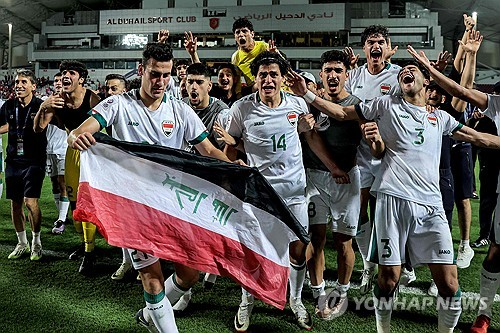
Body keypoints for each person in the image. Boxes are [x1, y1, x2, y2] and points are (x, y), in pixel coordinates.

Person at [288, 57, 500, 332]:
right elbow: (340, 113)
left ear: (426, 83)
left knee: (449, 283)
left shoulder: (440, 117)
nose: (407, 72)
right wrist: (305, 92)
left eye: (413, 70)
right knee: (388, 280)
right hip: (392, 201)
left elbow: (479, 138)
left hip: (431, 207)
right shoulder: (384, 105)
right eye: (403, 72)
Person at [67, 41, 240, 333]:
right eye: (154, 74)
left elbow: (208, 150)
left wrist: (235, 171)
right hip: (134, 207)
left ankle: (150, 315)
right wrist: (76, 137)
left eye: (166, 75)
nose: (160, 82)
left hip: (172, 204)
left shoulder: (181, 111)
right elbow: (80, 131)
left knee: (190, 275)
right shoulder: (119, 104)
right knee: (152, 277)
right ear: (141, 70)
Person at [215, 51, 313, 331]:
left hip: (294, 192)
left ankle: (295, 299)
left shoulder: (297, 104)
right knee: (254, 250)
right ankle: (247, 301)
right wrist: (231, 173)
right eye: (262, 75)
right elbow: (231, 145)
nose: (268, 79)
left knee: (298, 248)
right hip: (259, 193)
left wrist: (308, 127)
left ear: (283, 79)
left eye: (273, 75)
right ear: (255, 79)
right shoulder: (242, 108)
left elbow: (313, 130)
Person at [408, 44, 500, 333]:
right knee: (497, 254)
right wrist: (431, 69)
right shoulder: (498, 103)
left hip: (444, 173)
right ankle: (483, 315)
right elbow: (463, 91)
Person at [343, 25, 406, 293]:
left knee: (385, 219)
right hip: (360, 156)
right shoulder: (353, 76)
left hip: (389, 157)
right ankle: (368, 267)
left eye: (381, 41)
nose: (376, 46)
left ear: (388, 47)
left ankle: (388, 267)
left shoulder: (398, 76)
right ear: (364, 48)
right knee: (358, 217)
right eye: (371, 42)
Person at [301, 51, 361, 320]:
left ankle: (343, 290)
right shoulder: (310, 105)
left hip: (347, 179)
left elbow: (373, 144)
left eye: (338, 70)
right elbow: (310, 136)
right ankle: (319, 291)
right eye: (327, 70)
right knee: (316, 238)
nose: (333, 75)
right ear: (321, 75)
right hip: (314, 177)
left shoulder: (356, 104)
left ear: (347, 74)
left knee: (343, 240)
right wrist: (301, 128)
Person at [33, 60, 101, 275]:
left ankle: (90, 253)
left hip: (93, 153)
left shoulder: (92, 98)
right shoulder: (57, 101)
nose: (65, 75)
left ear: (81, 78)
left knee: (88, 202)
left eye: (71, 72)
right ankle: (84, 244)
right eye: (63, 72)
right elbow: (38, 128)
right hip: (72, 153)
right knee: (74, 202)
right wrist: (43, 107)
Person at [0, 69, 46, 261]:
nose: (19, 85)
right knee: (15, 203)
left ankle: (36, 242)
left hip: (34, 160)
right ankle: (22, 243)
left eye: (24, 82)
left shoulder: (41, 105)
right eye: (17, 82)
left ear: (33, 86)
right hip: (13, 160)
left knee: (30, 202)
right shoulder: (9, 105)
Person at [45, 72, 70, 234]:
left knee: (62, 184)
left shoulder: (69, 103)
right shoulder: (46, 102)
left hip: (64, 149)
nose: (58, 83)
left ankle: (61, 220)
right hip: (48, 149)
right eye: (56, 80)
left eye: (61, 80)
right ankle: (62, 214)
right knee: (54, 183)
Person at [231, 18, 278, 92]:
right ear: (235, 37)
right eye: (237, 32)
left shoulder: (264, 47)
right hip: (255, 89)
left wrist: (276, 55)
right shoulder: (236, 57)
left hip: (272, 84)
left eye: (244, 31)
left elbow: (282, 66)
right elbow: (237, 80)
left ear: (252, 34)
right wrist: (238, 94)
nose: (241, 35)